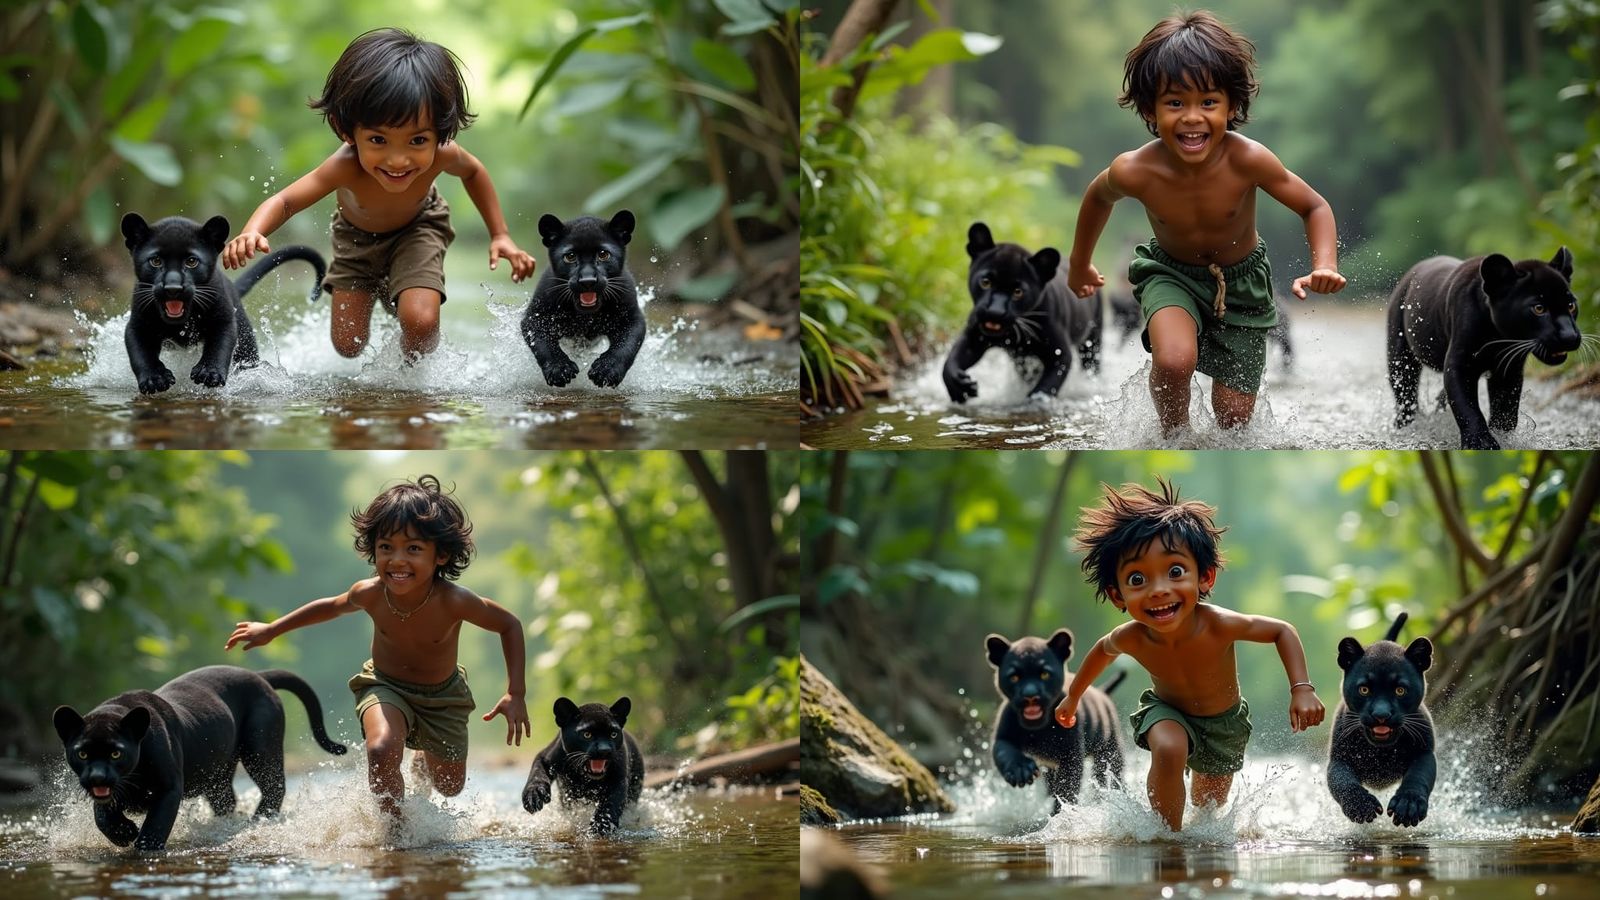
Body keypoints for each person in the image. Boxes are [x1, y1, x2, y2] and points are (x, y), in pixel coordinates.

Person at [1065, 10, 1346, 436]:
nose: (1192, 117)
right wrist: (1080, 263)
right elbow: (1097, 198)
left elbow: (1314, 206)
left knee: (1234, 418)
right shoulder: (1135, 169)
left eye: (1208, 102)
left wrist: (1325, 263)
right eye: (1175, 102)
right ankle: (1174, 437)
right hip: (1169, 274)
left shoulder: (1248, 159)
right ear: (1150, 108)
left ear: (1231, 105)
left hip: (1243, 283)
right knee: (1175, 360)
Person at [225, 474, 531, 824]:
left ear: (441, 555)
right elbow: (331, 606)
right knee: (381, 749)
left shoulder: (456, 601)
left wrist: (515, 692)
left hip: (443, 696)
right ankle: (396, 833)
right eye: (386, 547)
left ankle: (421, 756)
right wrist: (273, 629)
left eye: (413, 549)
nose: (397, 560)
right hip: (383, 686)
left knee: (449, 786)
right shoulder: (369, 593)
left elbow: (509, 625)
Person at [222, 27, 536, 363]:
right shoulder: (345, 165)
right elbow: (285, 201)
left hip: (420, 227)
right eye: (378, 140)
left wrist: (500, 234)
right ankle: (391, 292)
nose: (398, 160)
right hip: (356, 239)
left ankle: (406, 376)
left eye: (417, 141)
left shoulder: (445, 154)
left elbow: (474, 171)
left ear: (440, 132)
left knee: (421, 323)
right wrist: (253, 231)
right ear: (347, 131)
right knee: (348, 344)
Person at [1053, 478, 1325, 832]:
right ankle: (1167, 837)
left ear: (1205, 577)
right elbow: (1101, 652)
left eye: (1176, 571)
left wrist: (1301, 687)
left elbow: (1281, 631)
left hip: (1223, 723)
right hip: (1166, 711)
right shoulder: (1133, 637)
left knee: (1207, 807)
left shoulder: (1219, 624)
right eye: (1137, 579)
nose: (1159, 590)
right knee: (1169, 747)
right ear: (1118, 595)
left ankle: (1193, 840)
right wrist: (1072, 697)